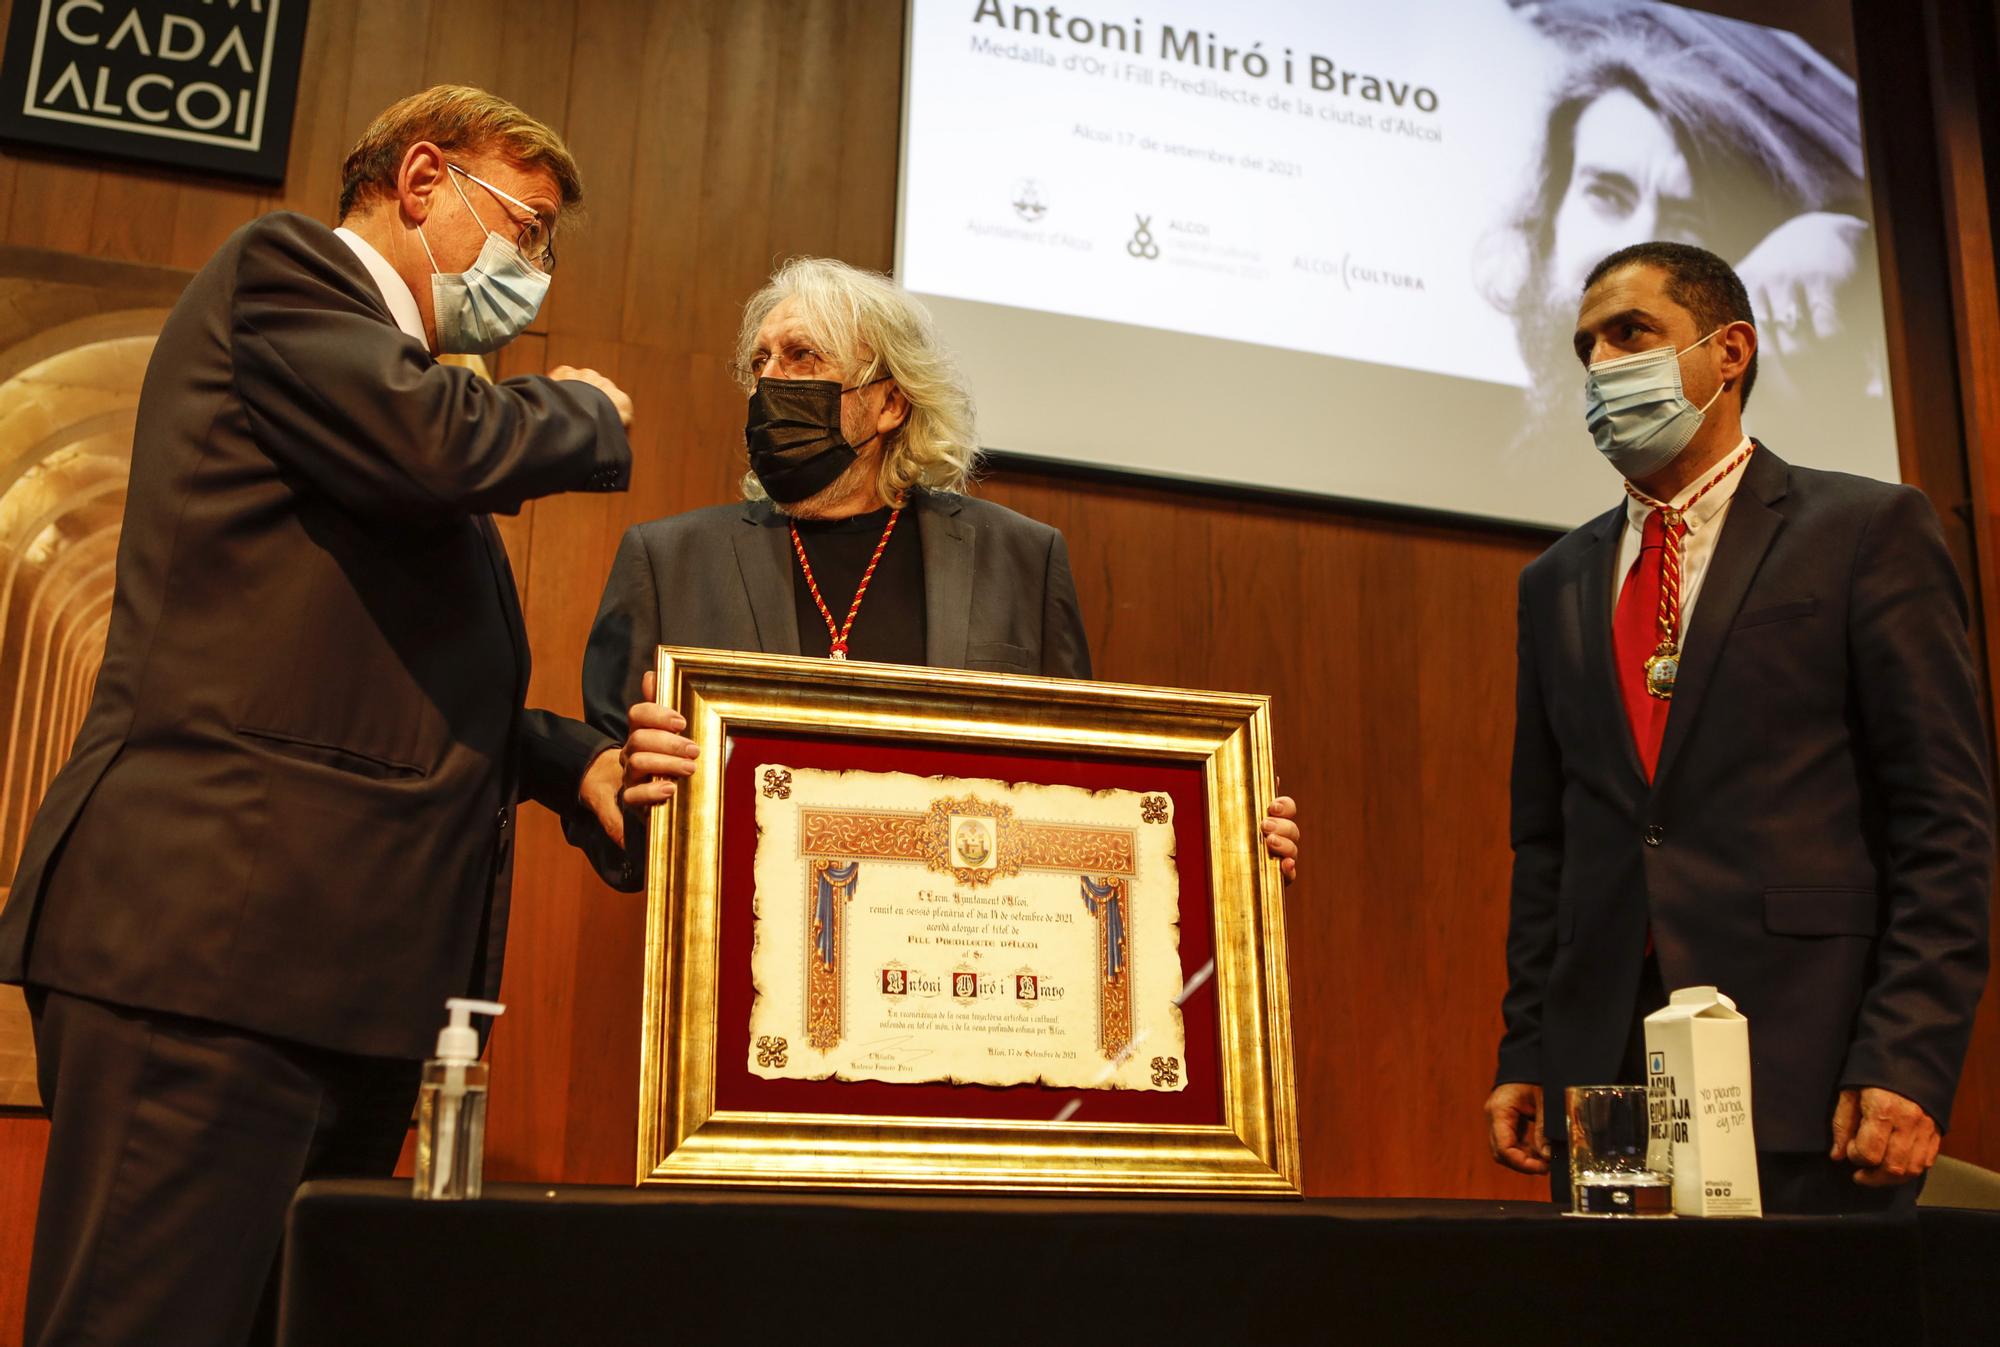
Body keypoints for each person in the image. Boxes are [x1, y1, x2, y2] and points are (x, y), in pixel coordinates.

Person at [0, 86, 634, 1345]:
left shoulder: (377, 397)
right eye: (527, 228)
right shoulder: (289, 278)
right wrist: (586, 412)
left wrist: (573, 765)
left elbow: (382, 678)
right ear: (419, 182)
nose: (533, 273)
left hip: (335, 981)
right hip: (215, 963)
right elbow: (442, 445)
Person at [1485, 240, 1991, 1214]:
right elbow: (1547, 842)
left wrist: (1907, 1056)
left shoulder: (1863, 531)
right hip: (1604, 1074)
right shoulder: (1552, 583)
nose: (1598, 366)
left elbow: (1943, 822)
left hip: (1810, 1065)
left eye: (1629, 333)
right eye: (1584, 345)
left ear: (1729, 352)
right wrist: (1527, 1049)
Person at [564, 256, 1300, 885]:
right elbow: (614, 819)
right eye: (759, 363)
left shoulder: (1021, 559)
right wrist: (629, 787)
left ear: (889, 403)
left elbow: (1078, 786)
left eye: (802, 358)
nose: (769, 381)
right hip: (751, 981)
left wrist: (1222, 836)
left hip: (965, 978)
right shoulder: (668, 559)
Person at [1482, 0, 1888, 475]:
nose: (1634, 246)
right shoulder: (1476, 439)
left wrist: (1845, 242)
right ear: (1547, 218)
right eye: (1608, 196)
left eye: (1685, 221)